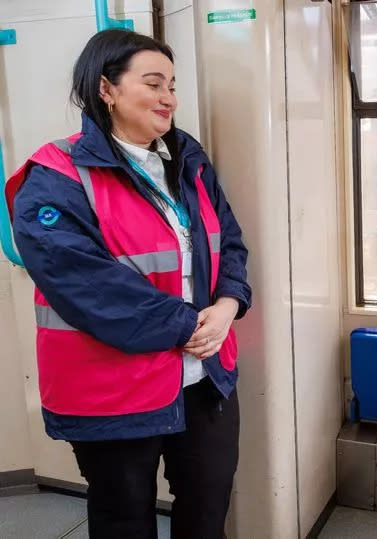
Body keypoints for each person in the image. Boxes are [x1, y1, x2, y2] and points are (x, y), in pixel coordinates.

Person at [5, 29, 251, 539]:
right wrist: (189, 325)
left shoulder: (187, 160)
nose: (169, 98)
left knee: (207, 510)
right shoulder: (55, 174)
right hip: (110, 388)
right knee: (123, 519)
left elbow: (227, 240)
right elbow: (83, 283)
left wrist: (228, 304)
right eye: (154, 83)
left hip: (204, 376)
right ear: (107, 89)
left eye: (174, 85)